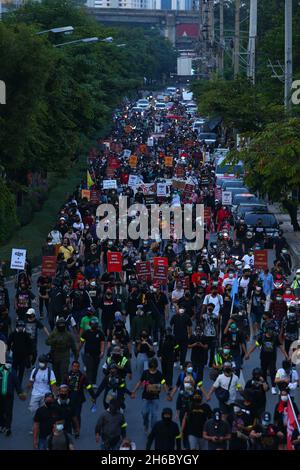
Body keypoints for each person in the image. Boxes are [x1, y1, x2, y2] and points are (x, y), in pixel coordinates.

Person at [131, 357, 170, 433]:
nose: (152, 370)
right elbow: (140, 382)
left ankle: (153, 429)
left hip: (155, 397)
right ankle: (146, 423)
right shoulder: (145, 373)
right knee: (145, 413)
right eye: (151, 368)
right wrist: (133, 391)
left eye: (153, 368)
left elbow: (164, 383)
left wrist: (167, 393)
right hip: (146, 397)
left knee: (154, 416)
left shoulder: (159, 374)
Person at [247, 328, 288, 395]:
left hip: (272, 358)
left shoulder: (275, 337)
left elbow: (281, 347)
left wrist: (286, 355)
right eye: (270, 330)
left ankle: (273, 387)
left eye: (272, 330)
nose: (271, 331)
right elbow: (255, 345)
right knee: (263, 372)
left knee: (272, 372)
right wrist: (248, 353)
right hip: (263, 358)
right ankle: (265, 384)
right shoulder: (262, 337)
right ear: (267, 330)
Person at [46, 317, 78, 386]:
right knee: (56, 373)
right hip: (55, 355)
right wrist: (55, 340)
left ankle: (63, 387)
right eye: (59, 325)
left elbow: (74, 348)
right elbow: (47, 342)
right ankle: (57, 387)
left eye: (62, 325)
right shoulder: (54, 333)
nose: (61, 326)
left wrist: (76, 359)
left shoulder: (68, 335)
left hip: (65, 356)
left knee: (64, 372)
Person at [64, 361, 95, 435]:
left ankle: (77, 430)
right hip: (68, 399)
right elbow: (63, 385)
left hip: (79, 399)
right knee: (68, 415)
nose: (75, 368)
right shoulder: (67, 375)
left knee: (77, 415)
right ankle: (69, 430)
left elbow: (88, 386)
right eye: (74, 366)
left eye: (77, 366)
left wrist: (93, 396)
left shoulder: (82, 376)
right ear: (72, 367)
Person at [0, 356, 27, 436]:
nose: (9, 364)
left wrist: (20, 393)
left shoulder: (13, 372)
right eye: (8, 362)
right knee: (1, 411)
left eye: (10, 363)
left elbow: (17, 384)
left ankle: (8, 428)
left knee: (8, 411)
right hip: (0, 396)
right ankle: (2, 425)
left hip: (9, 396)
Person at [79, 317, 105, 386]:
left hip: (97, 354)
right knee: (89, 368)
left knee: (95, 368)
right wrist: (78, 350)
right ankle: (88, 383)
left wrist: (102, 352)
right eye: (93, 324)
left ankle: (93, 382)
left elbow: (102, 343)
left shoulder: (100, 333)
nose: (94, 325)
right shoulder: (86, 333)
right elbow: (82, 342)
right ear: (90, 324)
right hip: (88, 354)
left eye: (95, 324)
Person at [7, 320, 32, 385]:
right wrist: (9, 349)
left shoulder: (26, 334)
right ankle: (14, 382)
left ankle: (18, 384)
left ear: (23, 327)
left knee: (21, 371)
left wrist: (29, 354)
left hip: (23, 356)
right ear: (17, 327)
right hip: (15, 355)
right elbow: (9, 342)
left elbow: (29, 344)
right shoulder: (13, 334)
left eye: (22, 327)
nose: (20, 328)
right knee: (14, 370)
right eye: (19, 327)